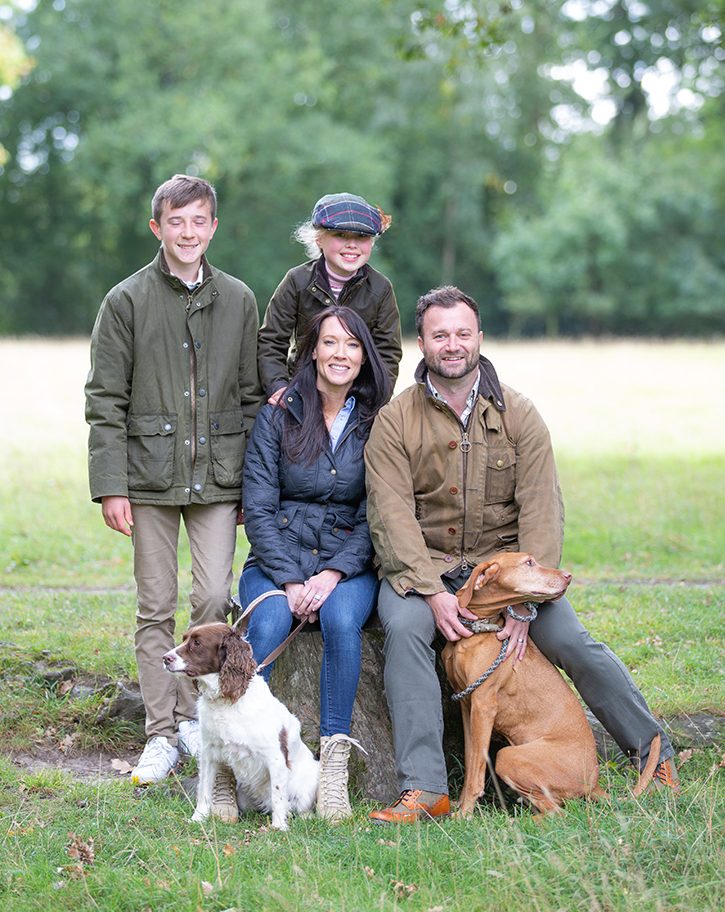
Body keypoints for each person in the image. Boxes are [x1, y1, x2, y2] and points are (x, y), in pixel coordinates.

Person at [364, 285, 679, 823]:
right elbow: (390, 516)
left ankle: (655, 755)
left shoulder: (520, 413)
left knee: (571, 640)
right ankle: (427, 789)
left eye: (463, 333)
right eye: (440, 335)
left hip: (509, 571)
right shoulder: (395, 421)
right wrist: (432, 593)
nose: (453, 344)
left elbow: (541, 509)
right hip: (428, 569)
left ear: (480, 338)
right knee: (404, 629)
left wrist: (523, 605)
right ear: (421, 343)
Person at [85, 174, 262, 786]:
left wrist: (249, 485)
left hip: (218, 476)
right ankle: (163, 733)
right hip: (149, 475)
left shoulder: (239, 298)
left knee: (214, 597)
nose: (188, 232)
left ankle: (198, 720)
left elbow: (250, 393)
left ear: (213, 226)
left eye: (199, 221)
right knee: (155, 605)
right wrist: (111, 483)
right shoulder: (126, 300)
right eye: (176, 222)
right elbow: (105, 398)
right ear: (157, 226)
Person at [239, 305, 391, 820]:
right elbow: (257, 507)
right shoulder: (279, 412)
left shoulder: (378, 421)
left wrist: (331, 574)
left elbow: (380, 511)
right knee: (269, 622)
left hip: (347, 563)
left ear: (364, 356)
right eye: (330, 343)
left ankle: (331, 771)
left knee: (341, 620)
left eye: (352, 345)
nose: (340, 354)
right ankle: (234, 768)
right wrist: (288, 577)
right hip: (275, 559)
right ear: (312, 351)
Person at [257, 192, 402, 401]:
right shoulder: (296, 281)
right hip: (300, 392)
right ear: (318, 239)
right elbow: (272, 340)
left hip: (357, 397)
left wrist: (372, 399)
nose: (352, 244)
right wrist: (278, 387)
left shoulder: (381, 289)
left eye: (362, 237)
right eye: (340, 235)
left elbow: (387, 354)